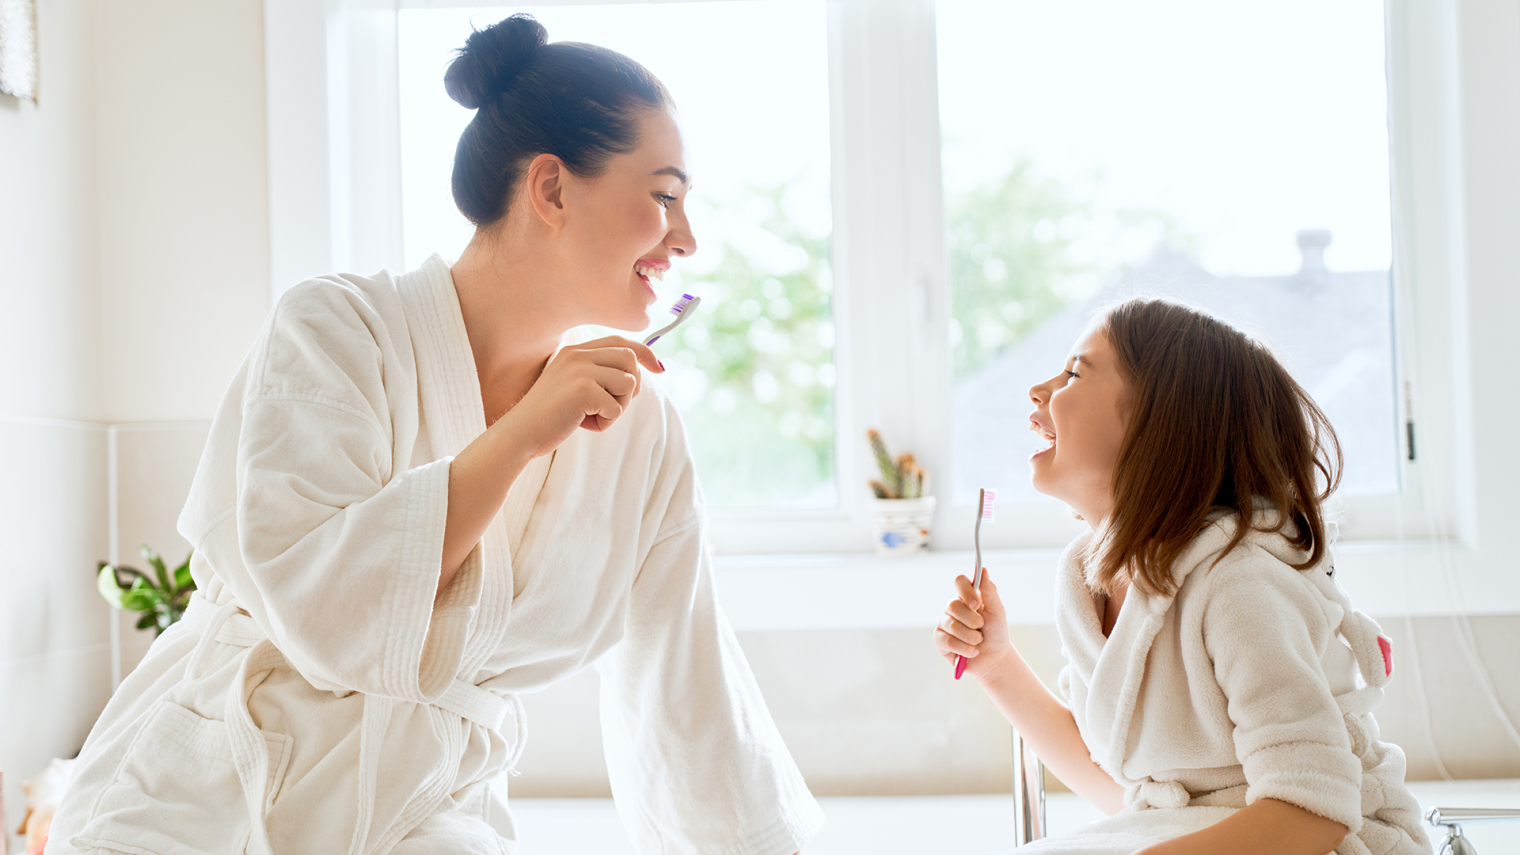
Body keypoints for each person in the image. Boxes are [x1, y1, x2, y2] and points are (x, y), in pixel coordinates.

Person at [48, 14, 822, 855]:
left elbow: (688, 688)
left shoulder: (636, 430)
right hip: (197, 798)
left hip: (424, 816)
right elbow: (325, 610)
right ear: (553, 189)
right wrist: (523, 432)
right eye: (664, 196)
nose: (688, 238)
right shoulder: (336, 331)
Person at [934, 298, 1430, 855]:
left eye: (1074, 372)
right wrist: (998, 667)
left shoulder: (1238, 585)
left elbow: (1312, 809)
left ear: (1158, 424)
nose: (1039, 389)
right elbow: (1135, 793)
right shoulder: (1089, 582)